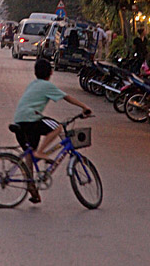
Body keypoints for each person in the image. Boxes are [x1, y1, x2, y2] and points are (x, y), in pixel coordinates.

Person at [13, 58, 92, 203]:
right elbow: (67, 97)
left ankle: (33, 189)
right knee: (58, 127)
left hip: (19, 121)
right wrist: (84, 107)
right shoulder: (46, 85)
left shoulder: (33, 84)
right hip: (31, 119)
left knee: (29, 154)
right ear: (50, 72)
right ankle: (41, 152)